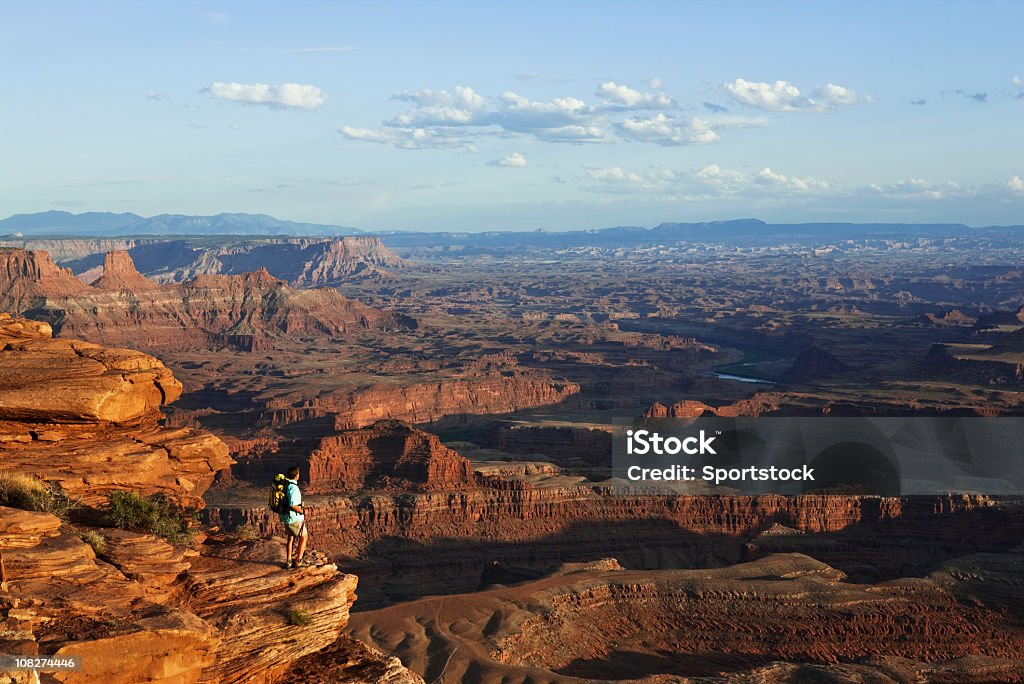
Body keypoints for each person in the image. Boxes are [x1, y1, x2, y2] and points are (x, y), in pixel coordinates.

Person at [280, 466, 308, 569]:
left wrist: (300, 504)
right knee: (304, 537)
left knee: (291, 538)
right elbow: (292, 505)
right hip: (294, 518)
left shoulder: (285, 485)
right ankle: (298, 561)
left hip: (287, 517)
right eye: (298, 473)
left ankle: (288, 561)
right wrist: (302, 510)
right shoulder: (293, 488)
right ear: (296, 475)